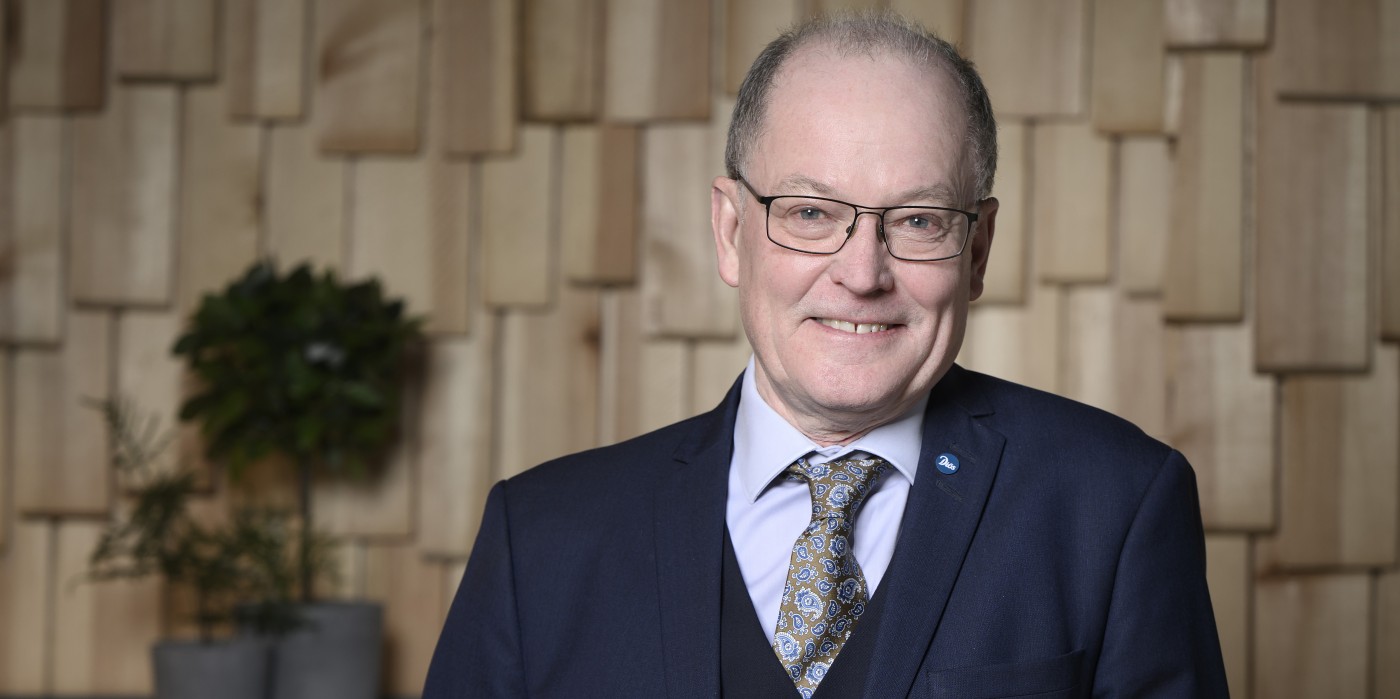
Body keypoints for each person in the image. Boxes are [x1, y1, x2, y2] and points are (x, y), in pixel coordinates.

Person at [424, 11, 1228, 698]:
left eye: (918, 221)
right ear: (731, 232)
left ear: (977, 250)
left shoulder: (1115, 506)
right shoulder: (540, 540)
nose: (861, 273)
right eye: (810, 212)